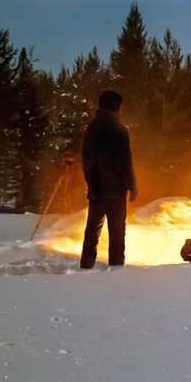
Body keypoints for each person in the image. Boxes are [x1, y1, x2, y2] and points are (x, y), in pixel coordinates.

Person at [79, 89, 138, 269]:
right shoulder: (118, 130)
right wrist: (131, 185)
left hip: (97, 189)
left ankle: (86, 264)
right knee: (117, 231)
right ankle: (116, 267)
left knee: (92, 230)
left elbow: (86, 159)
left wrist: (91, 182)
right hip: (115, 190)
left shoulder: (92, 128)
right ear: (116, 107)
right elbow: (124, 162)